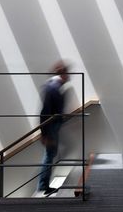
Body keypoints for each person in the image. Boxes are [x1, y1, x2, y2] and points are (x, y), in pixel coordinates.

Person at [38, 61, 70, 195]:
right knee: (49, 155)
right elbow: (45, 111)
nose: (69, 77)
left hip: (52, 125)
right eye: (67, 74)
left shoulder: (55, 86)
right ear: (62, 73)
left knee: (50, 155)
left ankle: (44, 185)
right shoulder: (52, 87)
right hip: (50, 126)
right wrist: (44, 133)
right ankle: (44, 186)